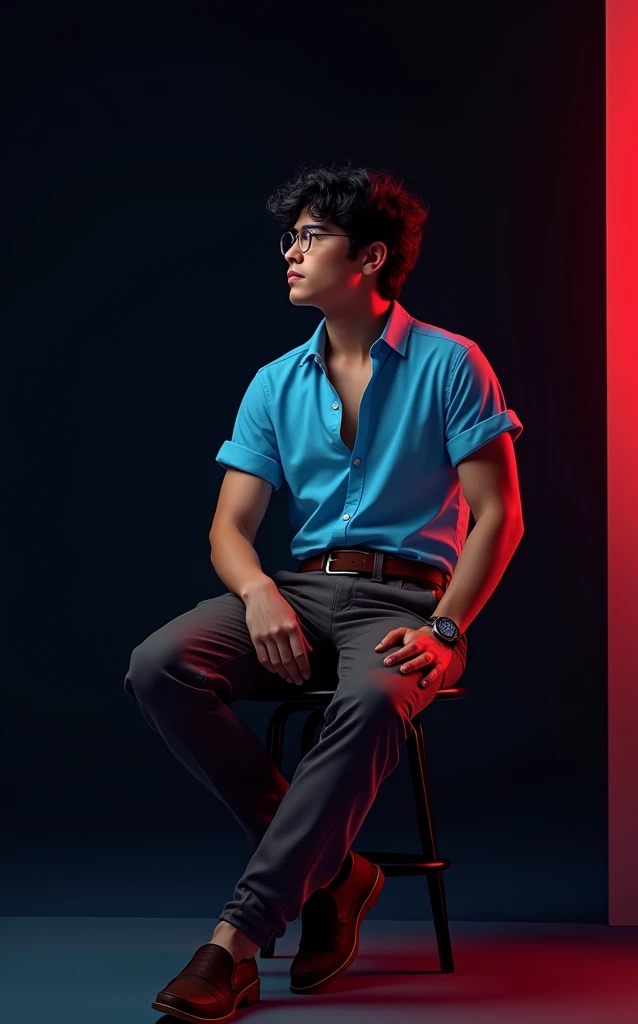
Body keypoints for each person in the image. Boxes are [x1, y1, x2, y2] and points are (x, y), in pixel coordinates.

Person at [124, 158, 525, 1020]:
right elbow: (228, 530)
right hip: (303, 591)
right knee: (160, 665)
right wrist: (261, 593)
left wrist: (448, 633)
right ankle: (338, 876)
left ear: (371, 258)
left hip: (412, 606)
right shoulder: (274, 382)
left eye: (311, 236)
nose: (292, 254)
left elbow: (499, 518)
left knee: (375, 701)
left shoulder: (452, 363)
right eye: (290, 237)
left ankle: (232, 943)